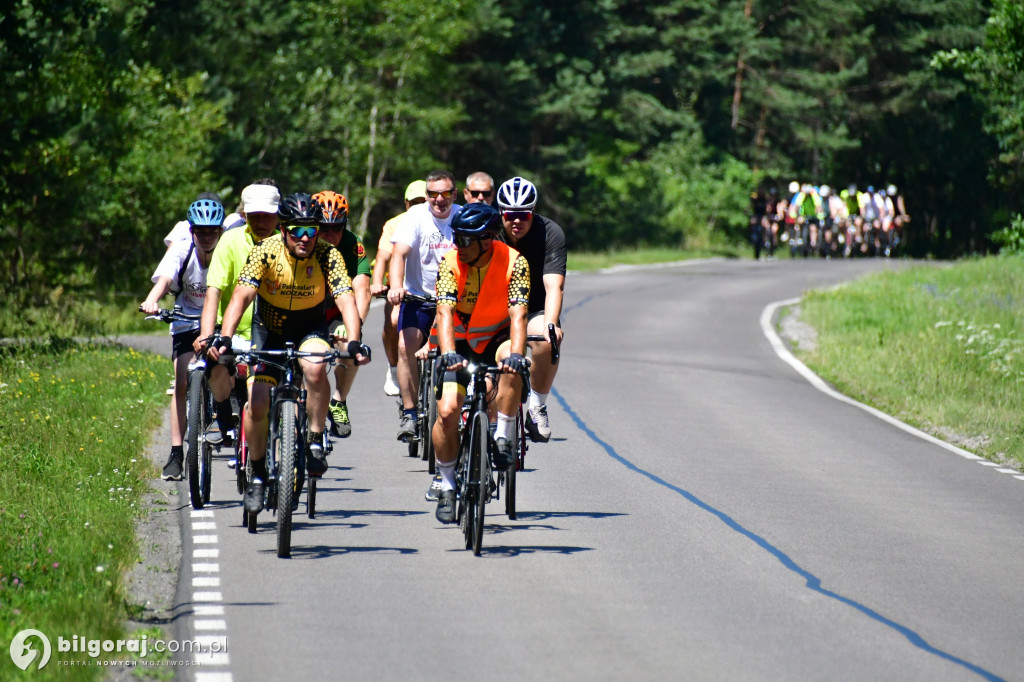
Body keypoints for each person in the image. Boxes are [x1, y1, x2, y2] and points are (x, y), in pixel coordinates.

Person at [206, 193, 371, 513]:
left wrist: (353, 340)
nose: (306, 238)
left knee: (313, 368)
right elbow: (240, 297)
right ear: (283, 229)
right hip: (269, 329)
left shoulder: (327, 255)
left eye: (312, 230)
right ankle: (256, 475)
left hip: (309, 328)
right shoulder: (265, 252)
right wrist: (224, 337)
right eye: (298, 230)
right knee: (256, 404)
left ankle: (313, 438)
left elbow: (346, 297)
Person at [429, 203, 530, 523]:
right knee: (447, 411)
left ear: (486, 240)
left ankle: (502, 435)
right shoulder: (450, 262)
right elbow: (443, 311)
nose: (457, 245)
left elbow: (519, 315)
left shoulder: (515, 262)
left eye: (464, 239)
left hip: (497, 337)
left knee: (512, 366)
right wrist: (447, 353)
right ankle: (446, 486)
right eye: (455, 237)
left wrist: (516, 353)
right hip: (457, 343)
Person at [141, 197, 225, 480]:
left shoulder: (227, 250)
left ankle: (227, 414)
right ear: (192, 231)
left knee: (228, 366)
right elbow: (165, 277)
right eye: (201, 231)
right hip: (186, 319)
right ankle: (176, 453)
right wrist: (152, 300)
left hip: (220, 319)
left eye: (212, 231)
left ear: (220, 231)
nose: (207, 236)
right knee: (182, 378)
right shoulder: (183, 247)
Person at [194, 180, 282, 449]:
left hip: (272, 332)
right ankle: (222, 414)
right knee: (215, 363)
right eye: (254, 216)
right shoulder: (230, 240)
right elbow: (214, 292)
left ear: (278, 215)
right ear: (244, 215)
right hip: (230, 331)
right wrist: (207, 335)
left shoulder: (285, 242)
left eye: (267, 216)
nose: (261, 222)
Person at [386, 170, 460, 441]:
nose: (439, 200)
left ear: (454, 193)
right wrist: (396, 286)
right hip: (419, 296)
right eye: (432, 194)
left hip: (453, 299)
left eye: (445, 193)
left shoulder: (461, 216)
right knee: (405, 348)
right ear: (426, 195)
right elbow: (399, 254)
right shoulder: (415, 216)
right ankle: (410, 412)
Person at [495, 176, 566, 443]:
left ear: (533, 212)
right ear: (500, 212)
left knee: (547, 340)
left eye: (523, 215)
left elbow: (553, 286)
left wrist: (551, 324)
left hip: (534, 308)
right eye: (510, 214)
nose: (516, 221)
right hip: (497, 311)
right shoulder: (489, 232)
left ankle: (537, 405)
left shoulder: (550, 233)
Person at [313, 191, 371, 438]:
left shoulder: (352, 243)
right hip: (308, 309)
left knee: (349, 346)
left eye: (335, 228)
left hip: (338, 310)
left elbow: (362, 290)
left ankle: (338, 400)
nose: (329, 235)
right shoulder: (302, 241)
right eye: (323, 228)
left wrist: (353, 326)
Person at [371, 180, 426, 396]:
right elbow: (383, 256)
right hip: (400, 285)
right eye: (415, 203)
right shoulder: (395, 224)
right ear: (406, 204)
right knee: (394, 319)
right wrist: (377, 283)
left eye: (423, 202)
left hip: (431, 284)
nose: (419, 207)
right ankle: (394, 366)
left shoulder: (438, 220)